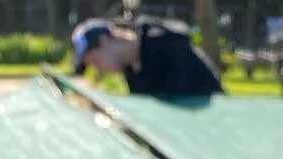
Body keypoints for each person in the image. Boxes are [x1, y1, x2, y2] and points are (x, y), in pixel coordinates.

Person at [71, 15, 223, 100]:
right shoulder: (132, 67)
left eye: (95, 61)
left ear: (105, 40)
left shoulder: (164, 46)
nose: (99, 70)